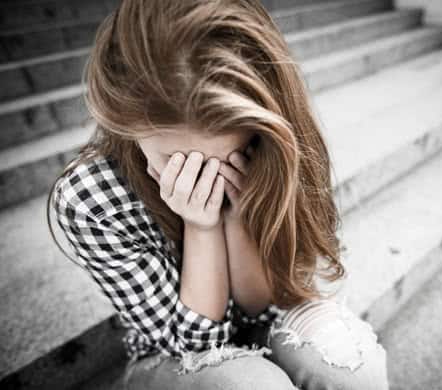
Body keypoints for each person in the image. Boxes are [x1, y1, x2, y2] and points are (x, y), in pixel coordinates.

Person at [47, 0, 389, 388]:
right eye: (178, 162)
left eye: (226, 160)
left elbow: (263, 305)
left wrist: (237, 217)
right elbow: (197, 346)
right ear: (121, 117)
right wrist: (200, 227)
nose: (204, 179)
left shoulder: (271, 145)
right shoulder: (91, 197)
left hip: (265, 320)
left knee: (353, 367)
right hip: (172, 358)